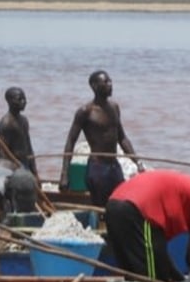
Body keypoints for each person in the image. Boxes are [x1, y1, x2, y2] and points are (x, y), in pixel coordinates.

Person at [60, 70, 142, 207]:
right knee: (101, 207)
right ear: (94, 86)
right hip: (98, 167)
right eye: (105, 82)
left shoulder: (114, 108)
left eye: (110, 81)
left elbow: (122, 139)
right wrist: (64, 174)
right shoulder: (86, 111)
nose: (110, 85)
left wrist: (137, 161)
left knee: (120, 202)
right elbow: (70, 141)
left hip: (114, 166)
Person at [0, 87, 37, 177]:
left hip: (25, 164)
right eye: (19, 99)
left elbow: (29, 147)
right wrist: (6, 175)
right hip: (13, 167)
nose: (24, 102)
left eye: (24, 99)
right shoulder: (6, 124)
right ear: (10, 101)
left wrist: (35, 172)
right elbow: (2, 153)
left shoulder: (24, 120)